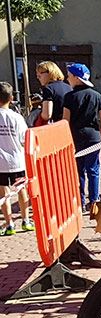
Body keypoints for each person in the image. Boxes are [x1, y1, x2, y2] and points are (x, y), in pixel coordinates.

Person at [63, 63, 101, 218]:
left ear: (76, 78)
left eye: (69, 75)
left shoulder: (69, 97)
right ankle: (94, 201)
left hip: (76, 137)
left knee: (79, 171)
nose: (67, 78)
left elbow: (65, 120)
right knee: (93, 170)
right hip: (93, 137)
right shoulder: (96, 95)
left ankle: (80, 201)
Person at [0, 82, 29, 236]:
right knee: (21, 190)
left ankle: (9, 223)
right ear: (11, 98)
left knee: (3, 193)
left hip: (0, 163)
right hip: (17, 161)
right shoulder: (17, 117)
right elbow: (25, 139)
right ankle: (26, 220)